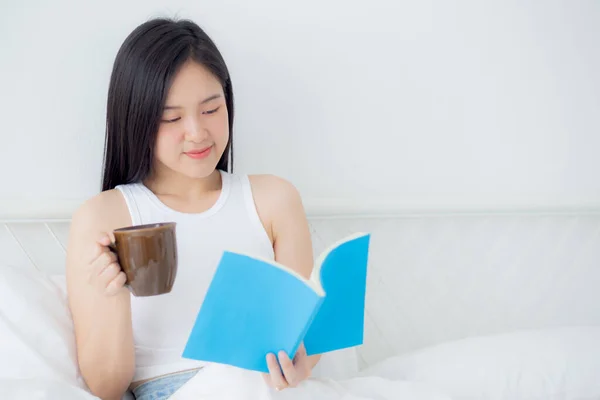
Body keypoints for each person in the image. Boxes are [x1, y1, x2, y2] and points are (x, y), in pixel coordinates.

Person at [65, 17, 320, 400]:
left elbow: (301, 334)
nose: (197, 133)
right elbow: (108, 387)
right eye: (171, 118)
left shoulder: (274, 200)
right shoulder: (104, 218)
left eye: (211, 110)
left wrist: (301, 361)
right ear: (136, 121)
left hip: (266, 387)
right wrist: (114, 295)